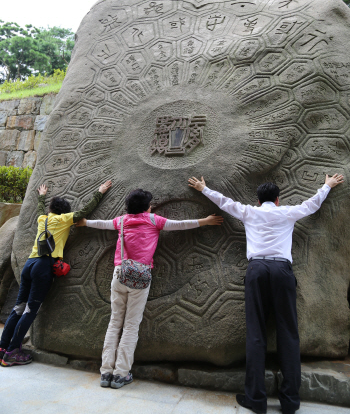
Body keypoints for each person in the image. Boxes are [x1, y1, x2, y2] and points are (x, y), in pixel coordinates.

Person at [188, 173, 344, 414]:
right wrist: (327, 185)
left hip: (257, 270)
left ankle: (256, 399)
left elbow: (225, 203)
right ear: (278, 199)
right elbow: (312, 205)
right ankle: (290, 401)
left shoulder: (250, 211)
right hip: (282, 270)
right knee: (289, 333)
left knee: (256, 333)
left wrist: (203, 189)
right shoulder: (287, 212)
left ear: (259, 201)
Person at [76, 187, 223, 389]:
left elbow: (102, 224)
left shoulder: (122, 221)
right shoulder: (154, 220)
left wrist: (85, 223)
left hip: (119, 274)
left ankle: (106, 372)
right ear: (147, 207)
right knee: (131, 325)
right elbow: (180, 225)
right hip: (140, 277)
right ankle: (121, 374)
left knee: (114, 322)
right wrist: (204, 221)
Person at [0, 180, 112, 367]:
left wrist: (42, 196)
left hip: (30, 263)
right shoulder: (64, 220)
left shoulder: (42, 220)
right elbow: (83, 212)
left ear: (51, 209)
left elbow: (39, 211)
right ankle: (12, 351)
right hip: (43, 267)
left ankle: (3, 347)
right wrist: (99, 192)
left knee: (19, 307)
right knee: (29, 311)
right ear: (64, 212)